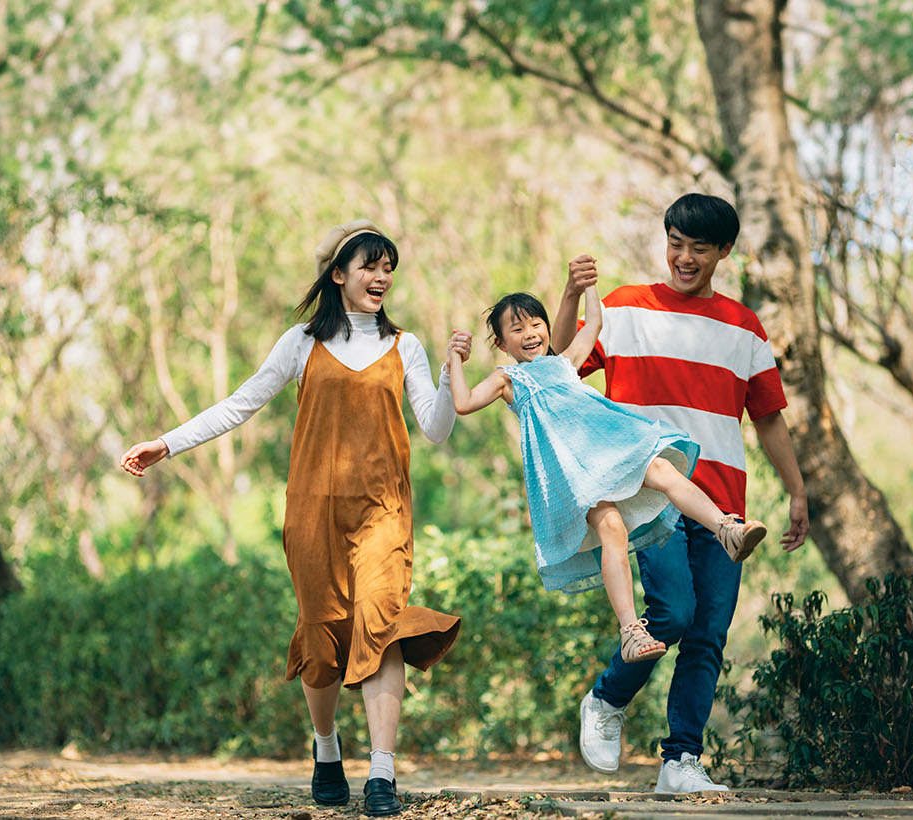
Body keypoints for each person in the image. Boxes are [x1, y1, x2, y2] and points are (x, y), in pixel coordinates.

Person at [119, 219, 466, 817]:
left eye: (389, 267)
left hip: (383, 511)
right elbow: (240, 403)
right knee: (322, 636)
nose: (382, 276)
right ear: (338, 274)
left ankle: (381, 774)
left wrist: (445, 375)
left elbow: (434, 428)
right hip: (313, 513)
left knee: (381, 622)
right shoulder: (301, 342)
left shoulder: (405, 345)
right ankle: (326, 748)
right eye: (370, 265)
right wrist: (167, 444)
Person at [553, 194, 811, 794]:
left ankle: (681, 761)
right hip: (650, 494)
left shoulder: (744, 326)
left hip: (723, 501)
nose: (684, 257)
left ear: (724, 251)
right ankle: (607, 697)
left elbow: (769, 416)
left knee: (708, 633)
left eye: (698, 247)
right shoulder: (622, 308)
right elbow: (560, 362)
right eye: (675, 243)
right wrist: (569, 296)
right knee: (673, 611)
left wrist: (796, 491)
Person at [446, 281, 768, 668]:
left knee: (664, 469)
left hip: (612, 446)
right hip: (576, 470)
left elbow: (594, 323)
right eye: (516, 330)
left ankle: (726, 530)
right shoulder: (508, 380)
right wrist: (454, 360)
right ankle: (631, 630)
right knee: (612, 528)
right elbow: (463, 404)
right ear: (501, 343)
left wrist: (589, 287)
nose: (530, 334)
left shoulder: (564, 362)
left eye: (535, 324)